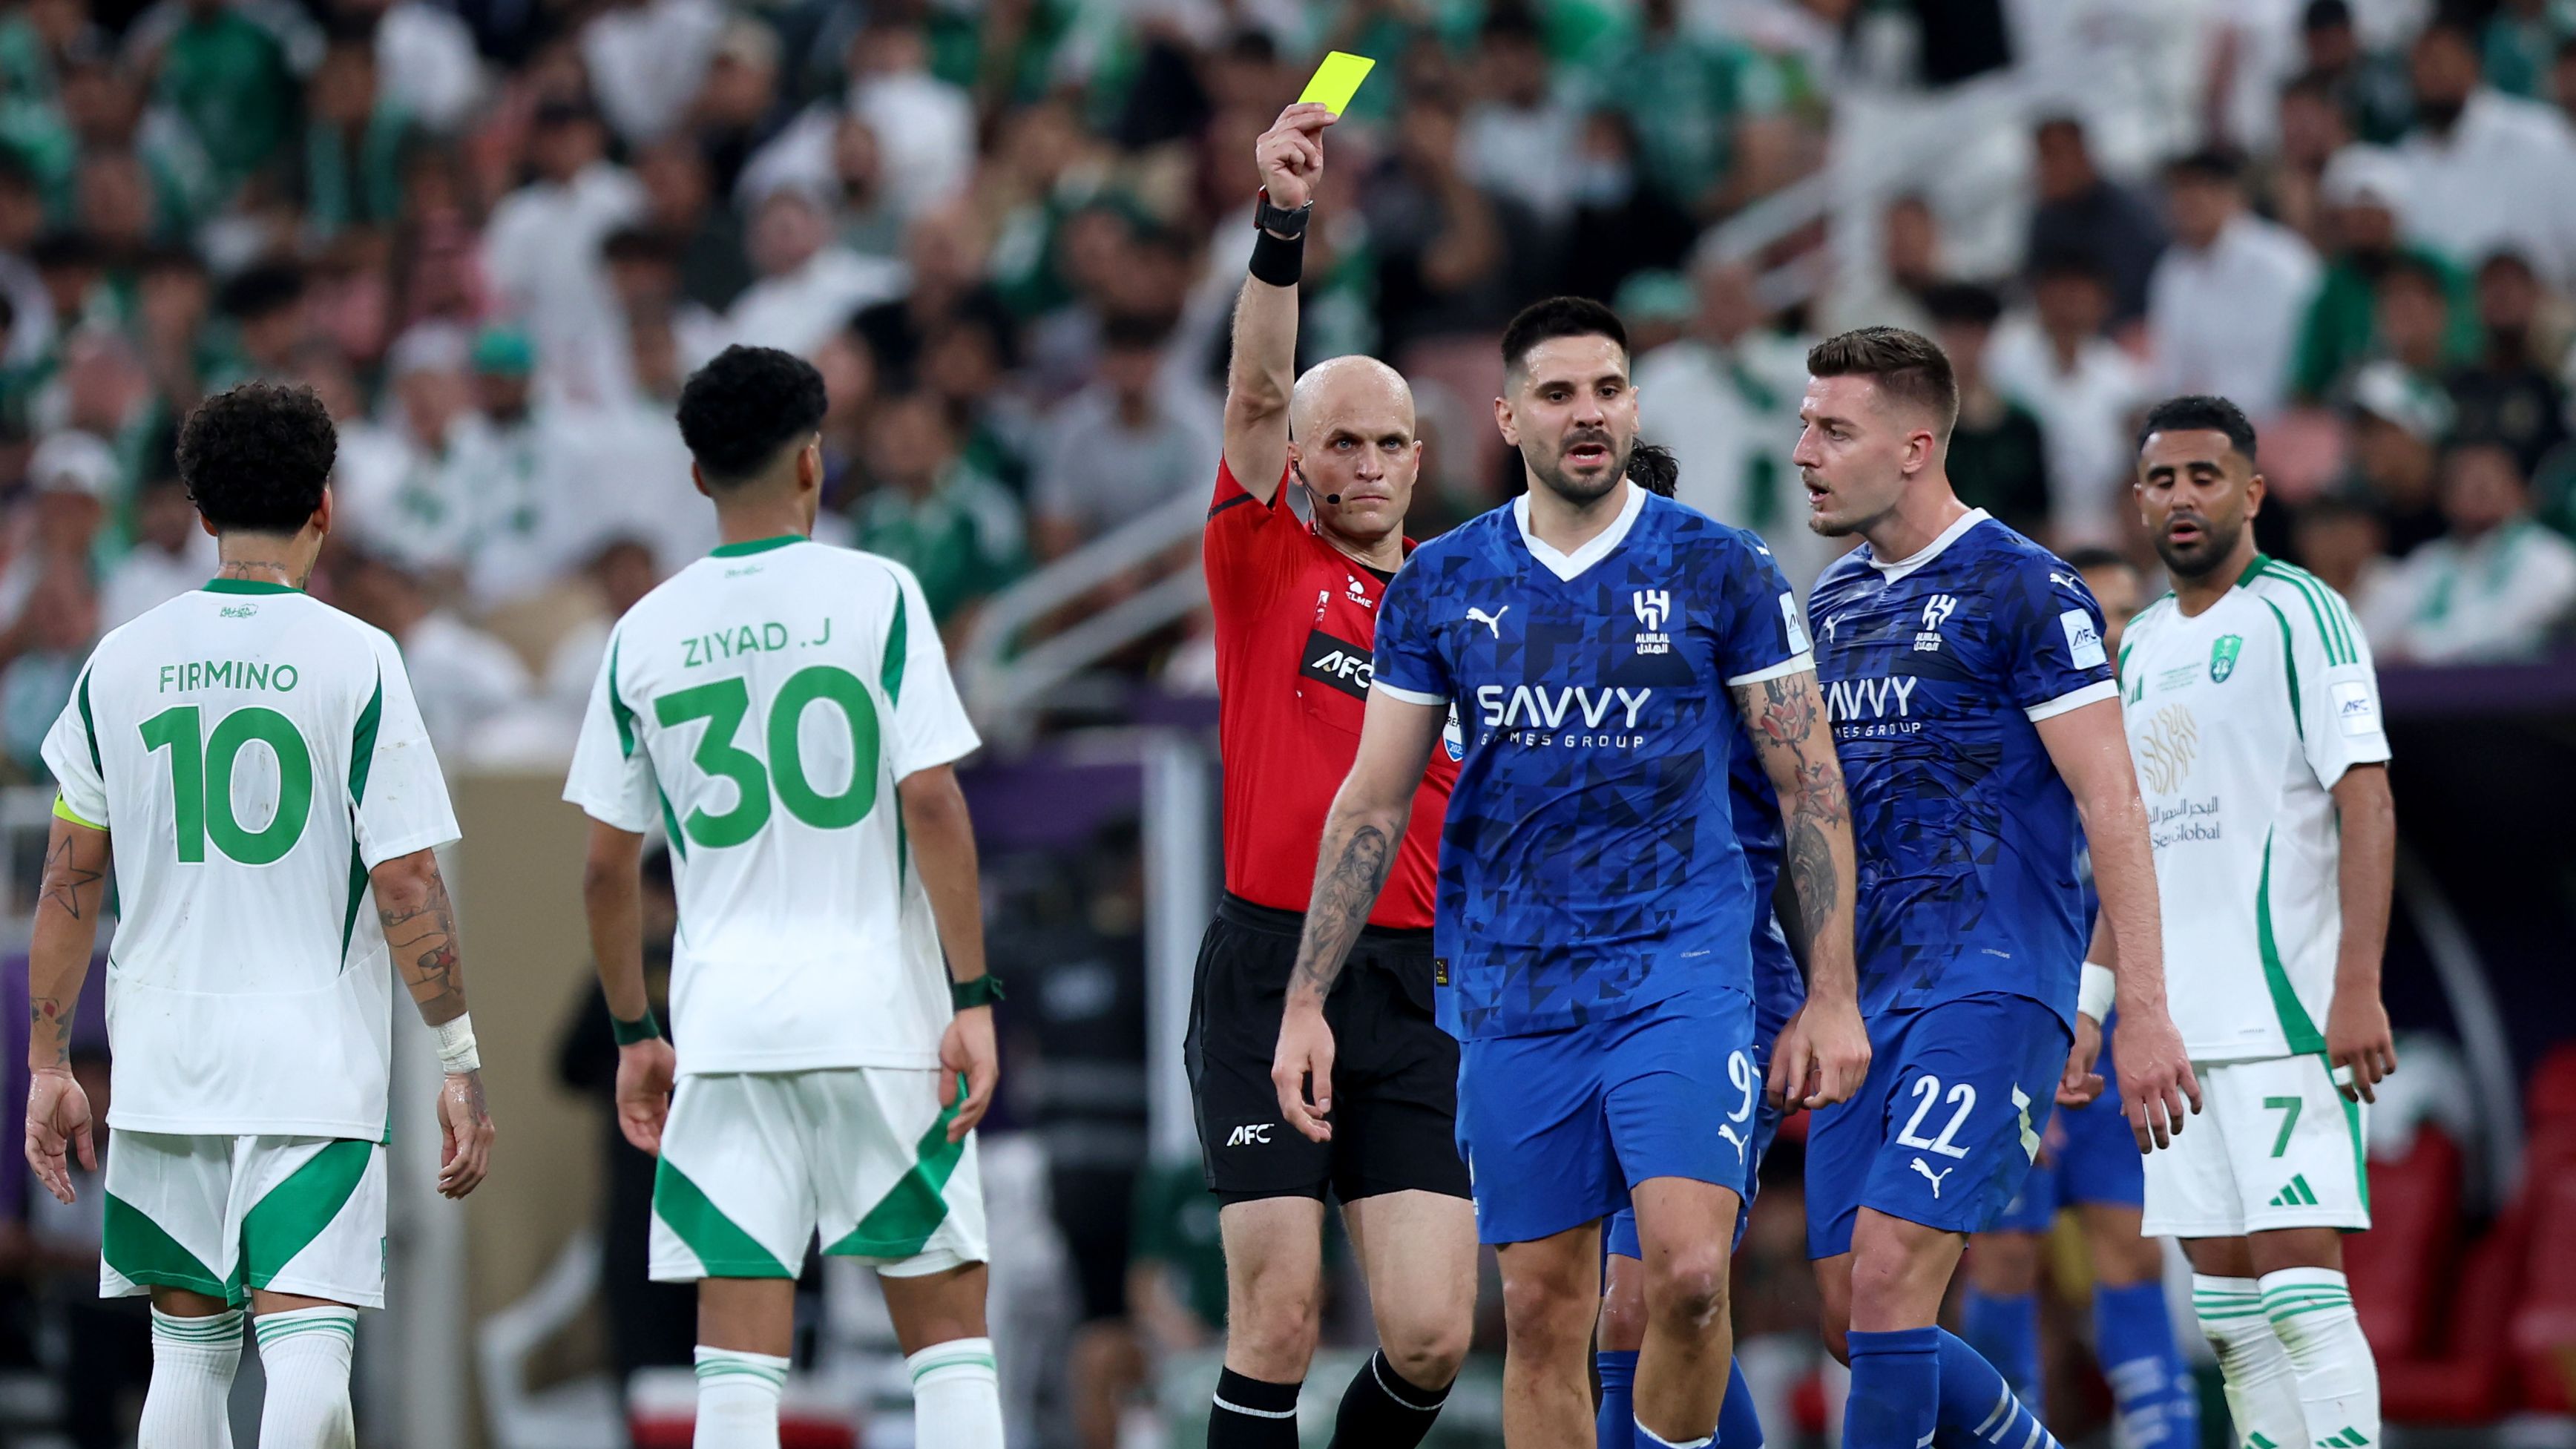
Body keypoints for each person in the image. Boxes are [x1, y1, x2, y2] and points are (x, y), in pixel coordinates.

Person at [1275, 293, 1871, 1449]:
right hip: (1515, 993)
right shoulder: (1443, 585)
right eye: (1557, 394)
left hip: (1684, 973)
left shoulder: (1722, 568)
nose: (1587, 414)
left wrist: (1832, 990)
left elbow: (1809, 788)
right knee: (1546, 1312)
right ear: (1507, 418)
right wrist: (1306, 995)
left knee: (1687, 1277)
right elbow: (1375, 799)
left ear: (1634, 403)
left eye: (1607, 390)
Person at [22, 380, 496, 1442]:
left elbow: (66, 883)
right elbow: (408, 883)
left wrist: (51, 1064)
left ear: (199, 513)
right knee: (309, 1367)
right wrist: (459, 1058)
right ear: (324, 504)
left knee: (185, 1368)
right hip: (309, 1069)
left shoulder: (119, 661)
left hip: (164, 1065)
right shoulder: (362, 657)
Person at [565, 344, 1004, 1449]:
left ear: (699, 476)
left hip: (723, 1024)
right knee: (947, 1337)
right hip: (878, 1012)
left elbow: (606, 866)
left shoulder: (643, 632)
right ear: (815, 463)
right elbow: (935, 806)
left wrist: (634, 1031)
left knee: (736, 1358)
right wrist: (974, 995)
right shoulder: (880, 592)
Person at [1794, 327, 2198, 1449]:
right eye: (1803, 424)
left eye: (1833, 429)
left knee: (1887, 1283)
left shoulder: (2026, 586)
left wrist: (2139, 1009)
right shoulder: (1829, 605)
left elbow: (2115, 802)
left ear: (1915, 446)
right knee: (1849, 1316)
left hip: (1993, 983)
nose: (1803, 451)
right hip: (1867, 1001)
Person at [1188, 102, 1476, 1449]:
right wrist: (1284, 221)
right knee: (1280, 1315)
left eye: (1387, 442)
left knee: (1428, 1335)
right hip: (1267, 970)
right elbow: (1252, 388)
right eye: (1338, 442)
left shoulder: (1468, 607)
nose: (1363, 464)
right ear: (1296, 460)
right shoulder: (1264, 563)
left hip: (1418, 981)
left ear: (1420, 457)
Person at [2120, 395, 2398, 1449]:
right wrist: (2102, 1006)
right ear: (2139, 499)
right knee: (2228, 1314)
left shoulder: (2301, 611)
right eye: (2163, 480)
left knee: (2300, 1293)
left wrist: (2356, 985)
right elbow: (2130, 847)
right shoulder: (2140, 646)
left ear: (2252, 490)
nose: (2183, 497)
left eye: (2204, 475)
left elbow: (2363, 799)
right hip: (2176, 1038)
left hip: (2284, 1014)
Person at [1957, 546, 2200, 1449]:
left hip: (2124, 1034)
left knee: (2130, 1248)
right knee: (2008, 1257)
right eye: (2094, 616)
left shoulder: (2166, 739)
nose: (2111, 633)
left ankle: (2163, 1441)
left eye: (2128, 613)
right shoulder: (2012, 742)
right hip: (2026, 1029)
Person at [1592, 700, 1810, 1449]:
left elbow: (1804, 814)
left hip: (1724, 1003)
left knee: (1668, 1293)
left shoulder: (1727, 626)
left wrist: (1829, 997)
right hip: (1593, 1008)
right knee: (1633, 1308)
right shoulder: (1551, 641)